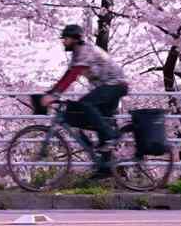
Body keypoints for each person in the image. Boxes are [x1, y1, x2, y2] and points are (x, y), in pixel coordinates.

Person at [40, 24, 128, 153]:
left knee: (85, 104)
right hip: (109, 86)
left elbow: (72, 76)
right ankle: (104, 169)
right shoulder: (77, 53)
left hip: (115, 85)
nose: (63, 41)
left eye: (66, 38)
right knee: (102, 121)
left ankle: (113, 136)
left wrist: (54, 95)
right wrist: (51, 93)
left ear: (75, 38)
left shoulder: (84, 50)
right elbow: (67, 75)